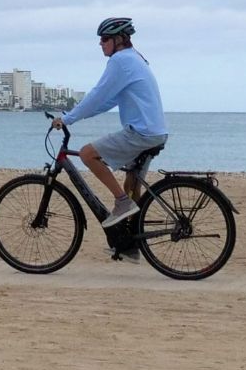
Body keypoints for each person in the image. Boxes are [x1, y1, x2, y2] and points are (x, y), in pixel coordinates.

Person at [49, 17, 168, 227]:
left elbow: (97, 94)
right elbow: (107, 101)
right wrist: (79, 115)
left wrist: (67, 119)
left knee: (87, 154)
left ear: (119, 40)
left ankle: (122, 203)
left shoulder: (120, 60)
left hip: (141, 133)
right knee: (131, 181)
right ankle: (132, 239)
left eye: (104, 39)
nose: (100, 44)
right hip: (155, 132)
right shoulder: (135, 58)